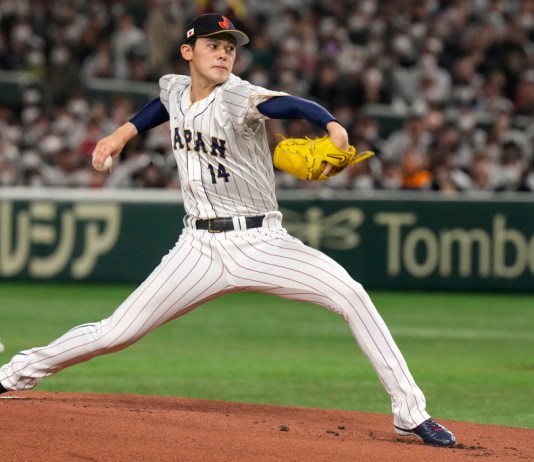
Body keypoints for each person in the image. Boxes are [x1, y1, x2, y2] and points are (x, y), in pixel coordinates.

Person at [0, 13, 456, 447]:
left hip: (261, 241)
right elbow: (161, 105)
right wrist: (121, 135)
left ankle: (409, 412)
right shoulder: (177, 90)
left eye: (229, 48)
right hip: (197, 246)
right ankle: (12, 374)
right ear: (187, 51)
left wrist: (331, 124)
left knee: (351, 294)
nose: (223, 54)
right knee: (116, 332)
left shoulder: (236, 95)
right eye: (212, 46)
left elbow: (287, 103)